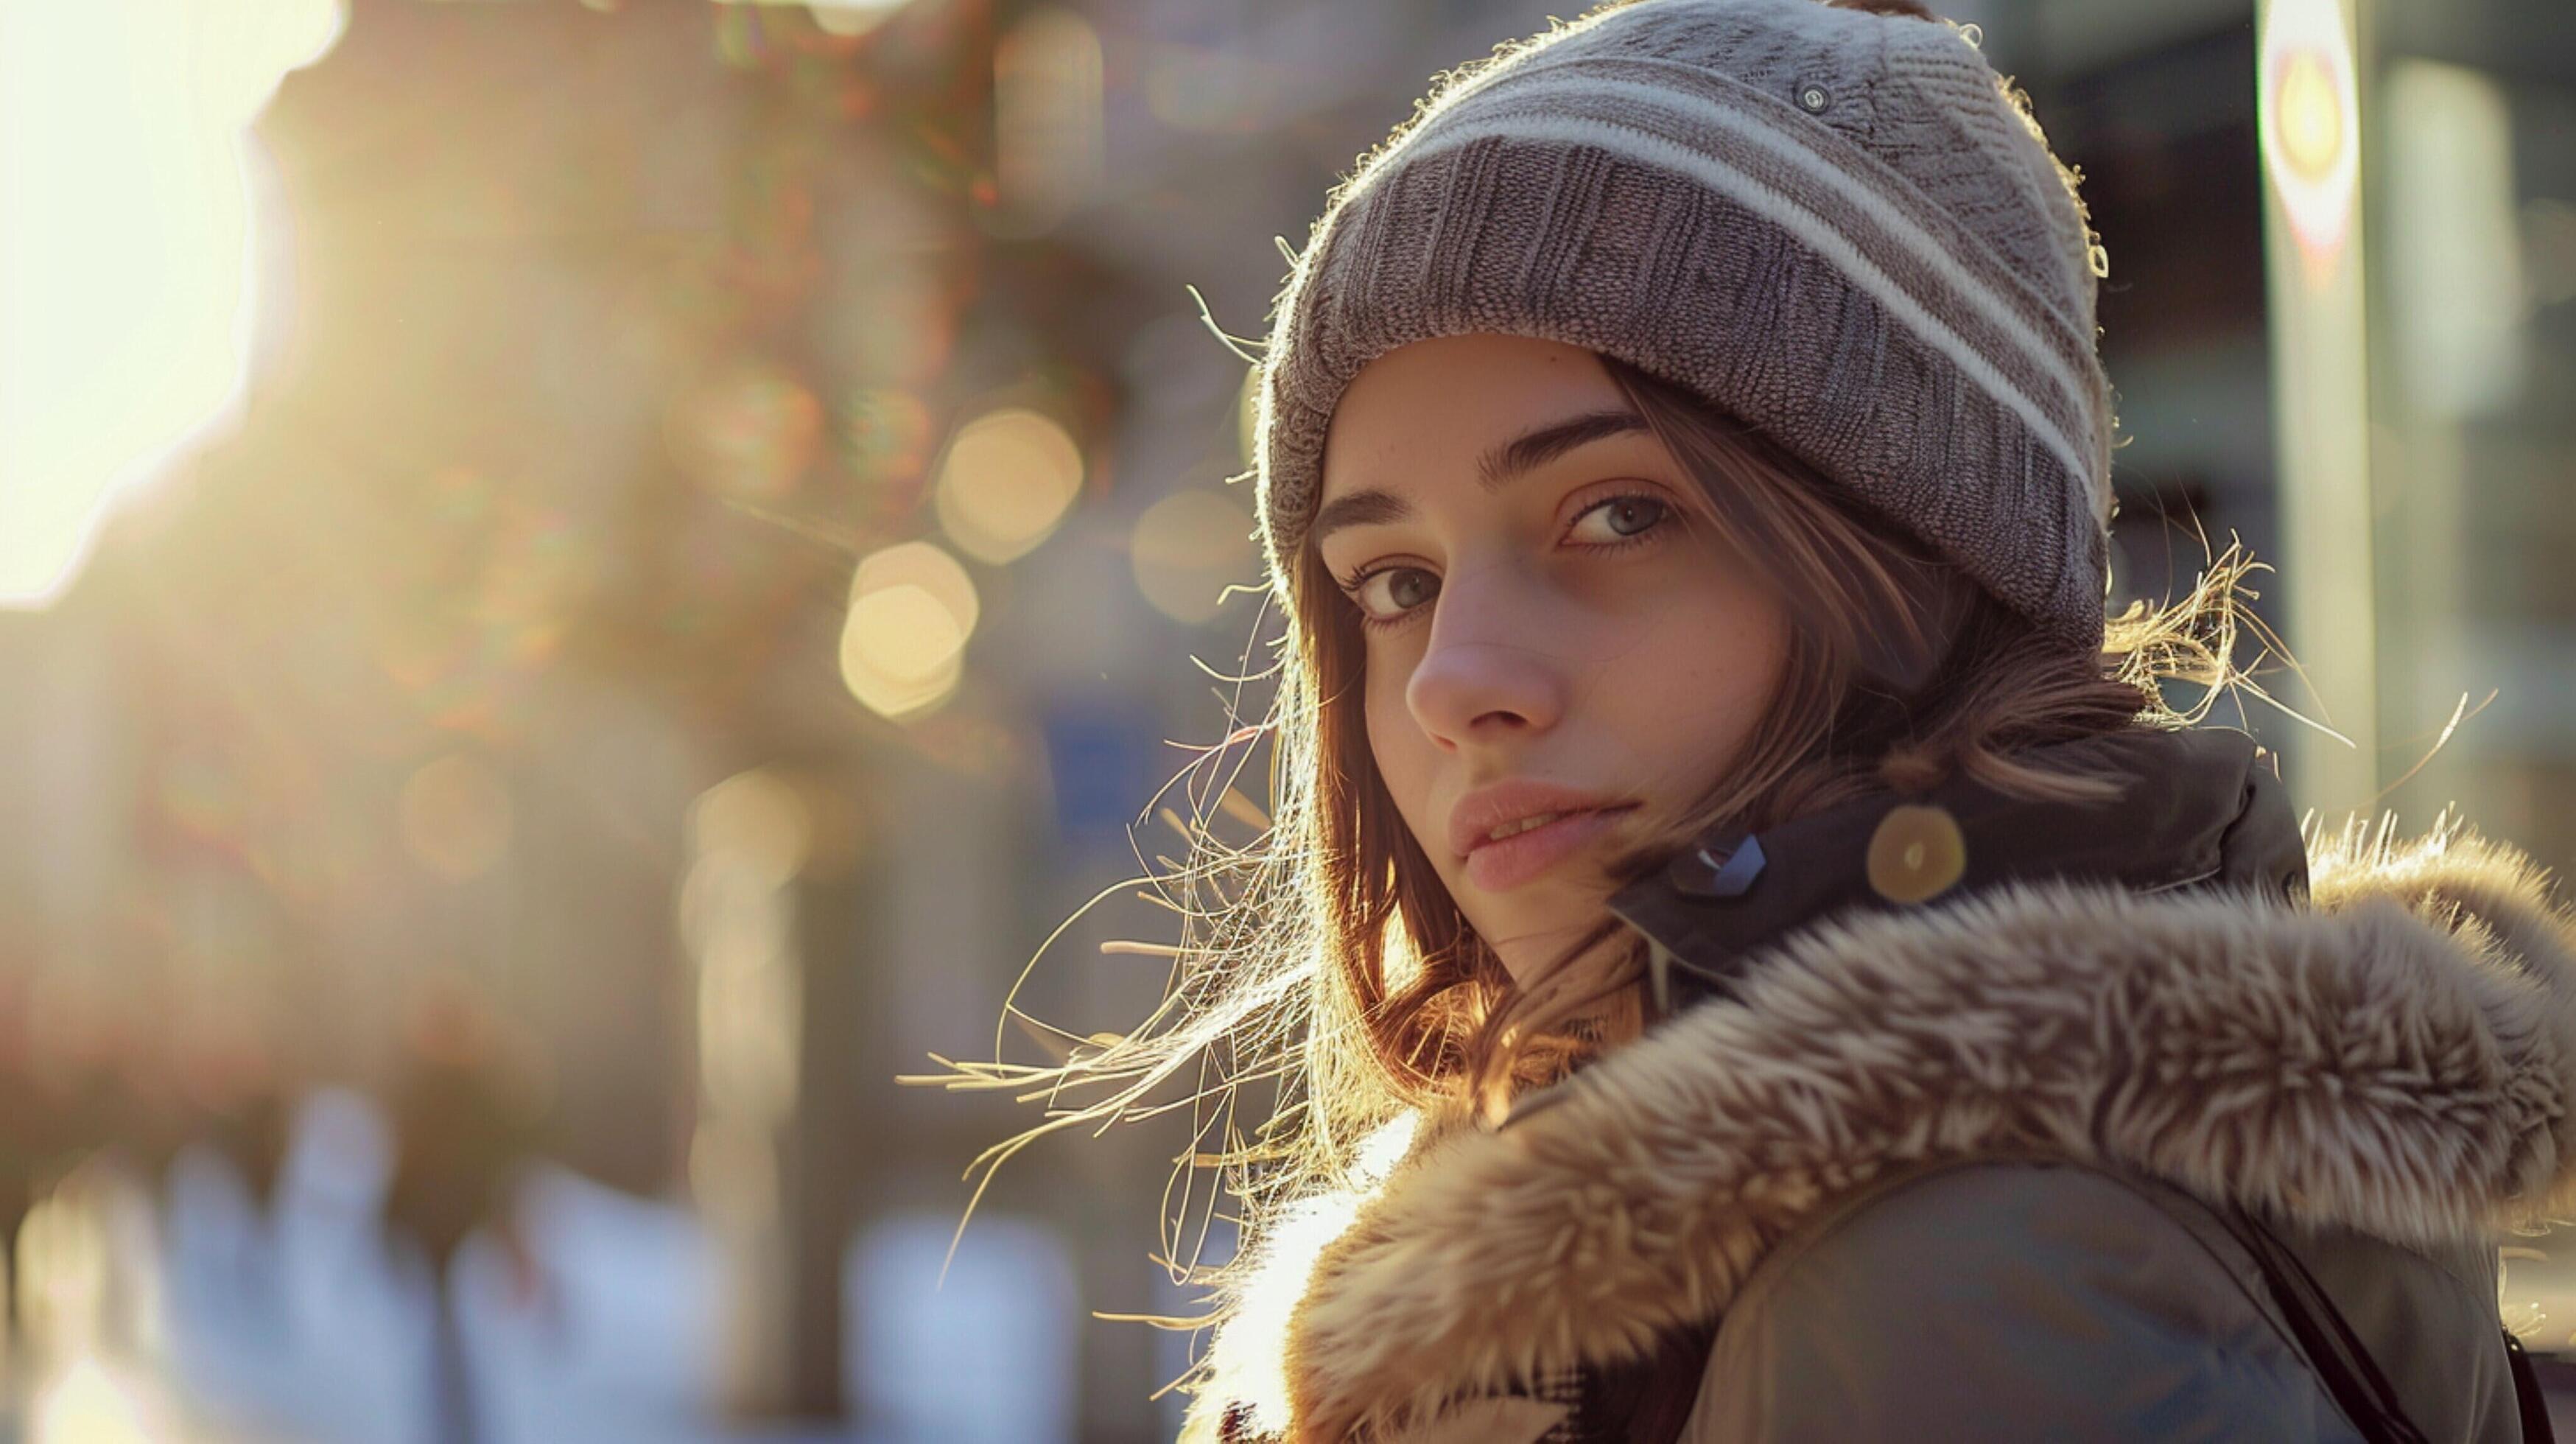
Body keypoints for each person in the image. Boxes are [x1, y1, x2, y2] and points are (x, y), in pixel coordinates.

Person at [938, 0, 2576, 1438]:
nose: (1449, 678)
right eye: (1390, 581)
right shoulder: (1779, 1224)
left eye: (1620, 516)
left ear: (1917, 560)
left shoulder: (1965, 1286)